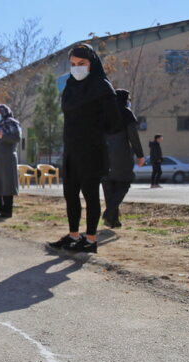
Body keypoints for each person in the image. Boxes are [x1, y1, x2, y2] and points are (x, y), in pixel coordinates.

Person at [48, 44, 120, 254]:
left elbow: (114, 122)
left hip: (92, 150)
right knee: (70, 195)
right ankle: (73, 237)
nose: (77, 68)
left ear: (92, 64)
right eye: (73, 64)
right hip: (71, 149)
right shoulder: (70, 86)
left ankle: (90, 240)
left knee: (90, 195)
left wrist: (95, 131)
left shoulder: (102, 87)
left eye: (81, 64)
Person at [102, 89, 145, 228]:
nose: (129, 102)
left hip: (103, 155)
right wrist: (140, 155)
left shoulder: (104, 113)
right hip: (120, 155)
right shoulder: (126, 113)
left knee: (109, 187)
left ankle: (113, 221)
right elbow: (134, 137)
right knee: (124, 183)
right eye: (129, 99)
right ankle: (109, 214)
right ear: (125, 100)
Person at [0, 105, 21, 218]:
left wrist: (4, 136)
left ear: (4, 112)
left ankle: (7, 211)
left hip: (7, 158)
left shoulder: (12, 123)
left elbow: (17, 137)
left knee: (7, 183)